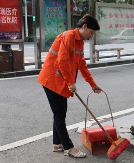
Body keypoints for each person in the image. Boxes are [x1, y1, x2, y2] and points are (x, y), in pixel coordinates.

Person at [37, 14, 102, 158]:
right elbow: (62, 62)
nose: (91, 36)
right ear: (84, 26)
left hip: (61, 81)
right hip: (51, 79)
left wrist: (93, 84)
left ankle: (57, 143)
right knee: (60, 114)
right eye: (91, 32)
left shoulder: (80, 42)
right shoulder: (68, 37)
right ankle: (69, 147)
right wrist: (70, 82)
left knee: (60, 113)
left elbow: (82, 65)